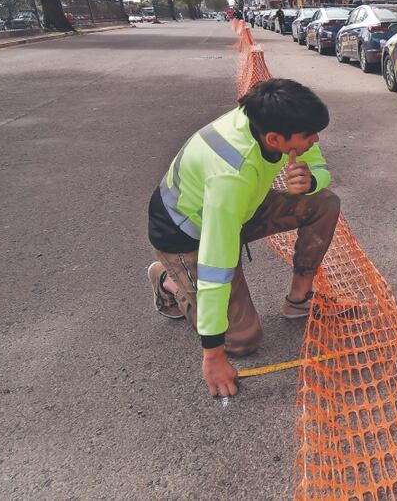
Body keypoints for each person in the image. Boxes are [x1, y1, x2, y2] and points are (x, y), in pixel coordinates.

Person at [145, 79, 341, 398]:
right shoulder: (230, 176)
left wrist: (312, 180)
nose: (315, 140)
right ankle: (170, 280)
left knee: (324, 202)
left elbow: (318, 163)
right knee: (242, 342)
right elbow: (215, 265)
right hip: (187, 235)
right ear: (275, 139)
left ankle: (298, 300)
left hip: (241, 211)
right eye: (308, 136)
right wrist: (213, 356)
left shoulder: (278, 120)